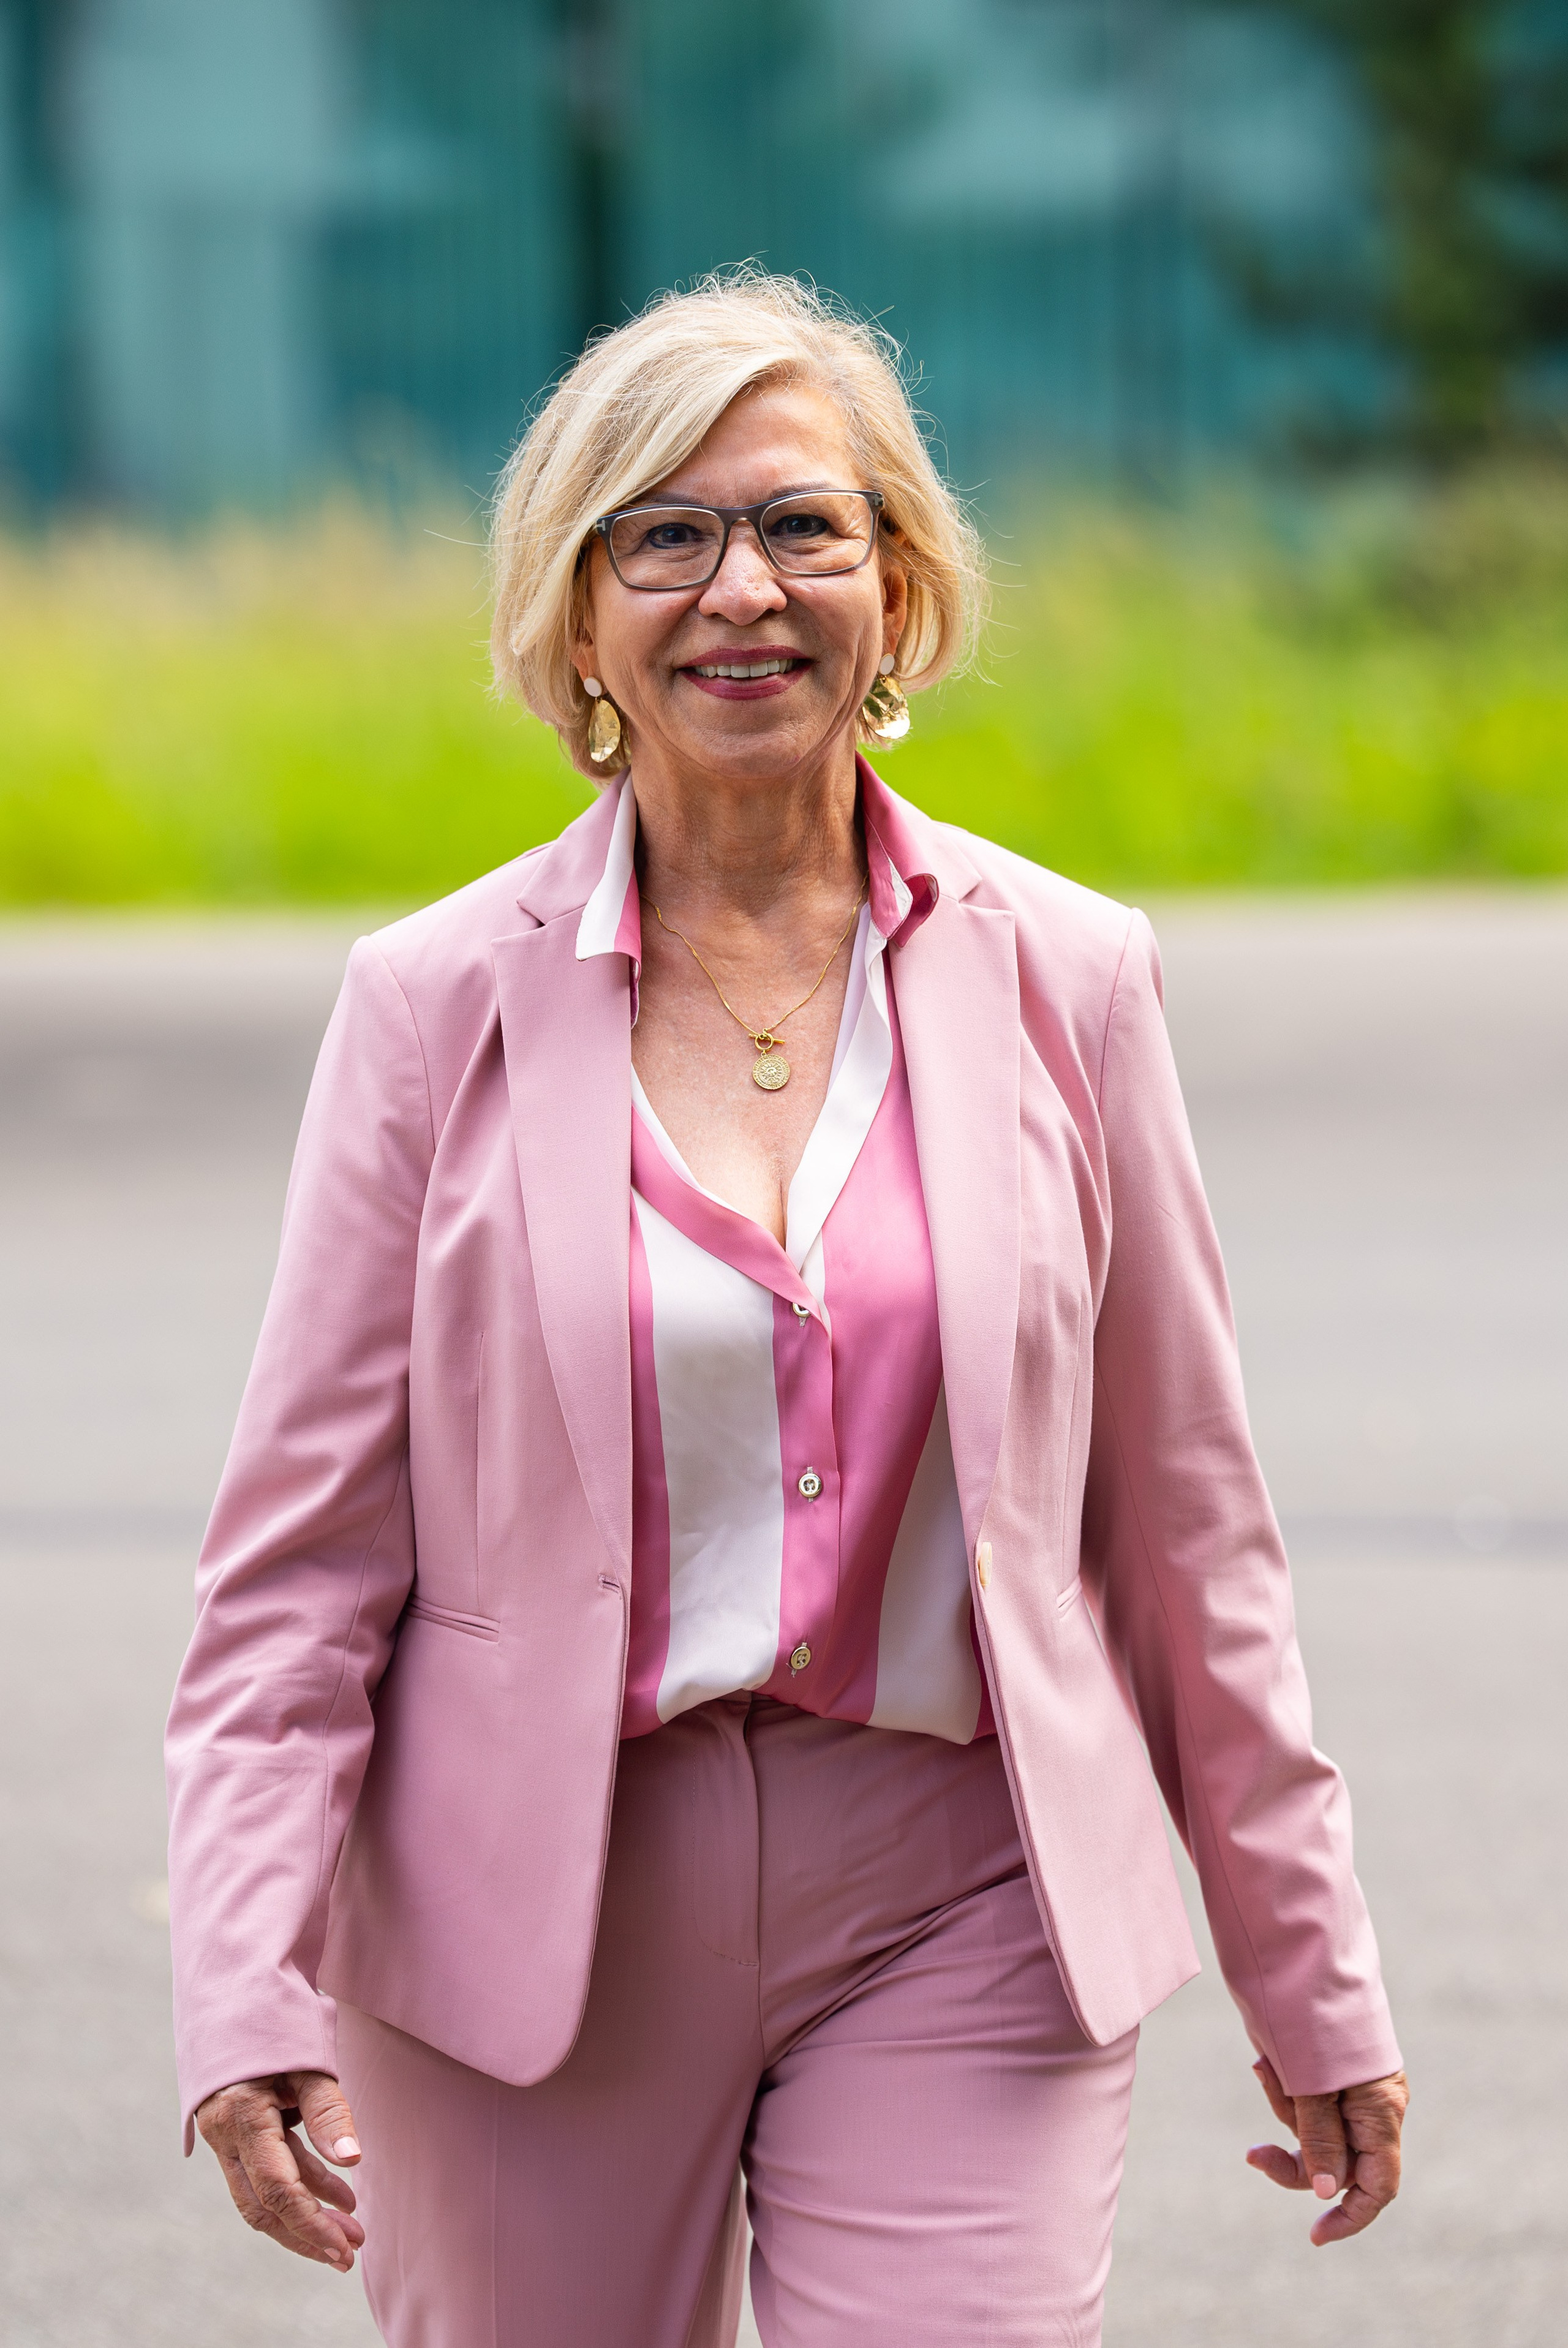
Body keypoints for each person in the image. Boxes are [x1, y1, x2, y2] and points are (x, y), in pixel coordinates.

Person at [167, 271, 1408, 2348]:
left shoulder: (1072, 977)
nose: (741, 586)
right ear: (579, 621)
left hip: (964, 1882)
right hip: (522, 1919)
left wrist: (1312, 1968)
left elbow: (1188, 1529)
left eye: (805, 526)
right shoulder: (428, 1008)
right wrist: (245, 1982)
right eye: (664, 533)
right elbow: (295, 1574)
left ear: (899, 590)